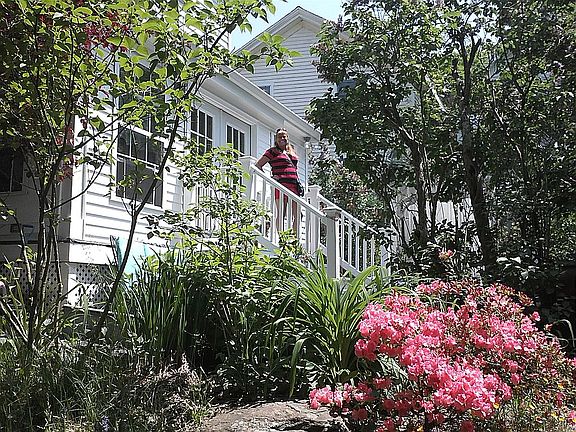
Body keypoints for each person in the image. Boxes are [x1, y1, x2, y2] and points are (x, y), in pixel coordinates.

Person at [255, 128, 302, 233]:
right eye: (279, 136)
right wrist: (270, 178)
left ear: (287, 138)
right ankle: (282, 237)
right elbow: (258, 165)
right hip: (281, 186)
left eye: (284, 136)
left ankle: (294, 238)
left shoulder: (291, 151)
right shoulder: (272, 151)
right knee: (281, 213)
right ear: (276, 139)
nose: (282, 138)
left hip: (294, 186)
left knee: (298, 214)